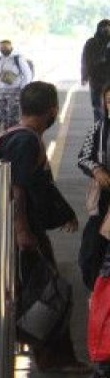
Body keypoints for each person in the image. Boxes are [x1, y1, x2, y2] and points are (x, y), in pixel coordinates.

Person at [0, 82, 82, 372]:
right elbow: (17, 189)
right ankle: (55, 358)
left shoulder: (14, 134)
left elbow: (37, 186)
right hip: (20, 229)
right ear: (52, 110)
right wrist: (23, 231)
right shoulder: (26, 141)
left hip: (7, 228)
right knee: (49, 289)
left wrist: (62, 213)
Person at [78, 84, 110, 288]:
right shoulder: (98, 129)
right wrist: (97, 171)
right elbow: (83, 157)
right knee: (90, 251)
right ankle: (95, 290)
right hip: (104, 198)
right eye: (108, 102)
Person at [0, 39, 35, 129]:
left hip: (15, 91)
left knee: (13, 115)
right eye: (1, 47)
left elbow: (27, 74)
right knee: (3, 114)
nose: (3, 49)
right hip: (2, 91)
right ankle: (6, 132)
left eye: (5, 47)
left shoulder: (17, 58)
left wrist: (23, 89)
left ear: (11, 47)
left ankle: (13, 132)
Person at [81, 19, 110, 122]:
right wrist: (84, 76)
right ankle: (99, 129)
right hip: (96, 80)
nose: (106, 31)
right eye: (104, 28)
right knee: (97, 108)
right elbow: (85, 60)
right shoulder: (91, 43)